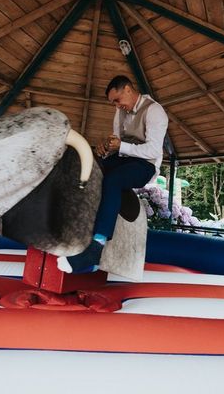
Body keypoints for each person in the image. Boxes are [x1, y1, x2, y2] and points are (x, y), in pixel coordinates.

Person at [58, 75, 168, 273]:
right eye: (113, 103)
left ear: (127, 89)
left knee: (113, 180)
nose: (117, 106)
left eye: (117, 100)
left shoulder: (155, 111)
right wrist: (106, 149)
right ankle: (75, 226)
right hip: (124, 158)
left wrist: (121, 146)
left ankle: (97, 246)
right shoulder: (120, 112)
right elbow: (117, 144)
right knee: (92, 167)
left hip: (145, 165)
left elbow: (153, 150)